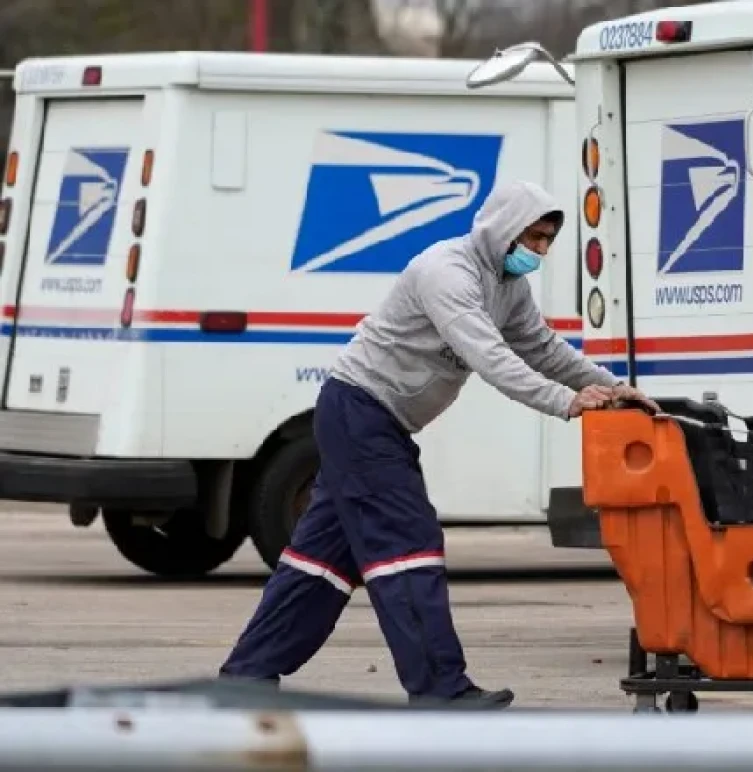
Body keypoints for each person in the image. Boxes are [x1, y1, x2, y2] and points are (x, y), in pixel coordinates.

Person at [218, 180, 658, 708]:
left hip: (375, 420)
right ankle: (439, 690)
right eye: (533, 237)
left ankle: (246, 675)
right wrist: (565, 403)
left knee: (321, 563)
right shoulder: (446, 272)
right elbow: (488, 355)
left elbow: (541, 348)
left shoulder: (507, 284)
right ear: (502, 229)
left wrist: (609, 388)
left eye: (546, 241)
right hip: (360, 411)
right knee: (408, 544)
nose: (539, 251)